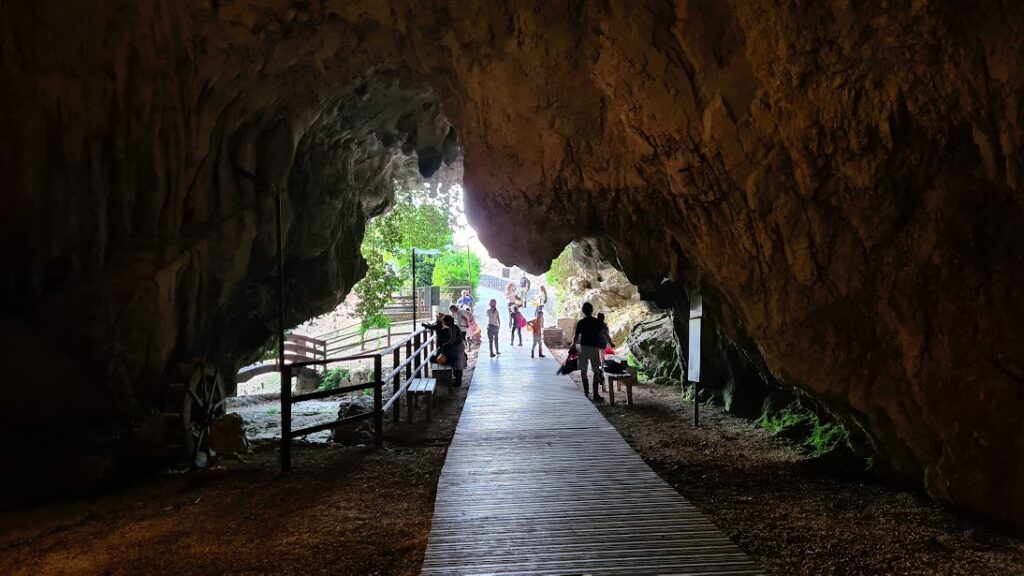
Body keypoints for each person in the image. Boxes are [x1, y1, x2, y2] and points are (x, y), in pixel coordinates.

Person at [572, 302, 605, 402]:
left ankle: (586, 393)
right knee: (596, 370)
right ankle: (596, 394)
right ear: (592, 310)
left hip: (584, 348)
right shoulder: (597, 322)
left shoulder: (581, 322)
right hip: (594, 348)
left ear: (583, 311)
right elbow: (603, 330)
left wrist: (573, 345)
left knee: (583, 370)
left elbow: (576, 336)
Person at [439, 315, 467, 386]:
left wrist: (445, 344)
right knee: (457, 363)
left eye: (444, 321)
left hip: (458, 346)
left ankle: (458, 382)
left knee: (458, 364)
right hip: (457, 346)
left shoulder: (453, 328)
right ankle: (457, 380)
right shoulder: (453, 327)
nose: (444, 323)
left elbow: (453, 340)